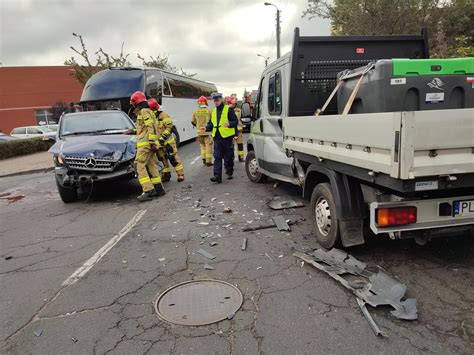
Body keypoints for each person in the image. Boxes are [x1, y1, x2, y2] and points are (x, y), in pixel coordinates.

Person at [130, 91, 165, 202]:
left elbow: (150, 126)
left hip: (145, 145)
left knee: (139, 165)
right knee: (151, 165)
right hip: (149, 144)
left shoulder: (144, 111)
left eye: (133, 102)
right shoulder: (148, 111)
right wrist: (132, 130)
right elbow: (144, 128)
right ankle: (159, 189)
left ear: (136, 101)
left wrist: (151, 141)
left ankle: (148, 190)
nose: (132, 105)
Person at [203, 93, 238, 183]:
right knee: (217, 156)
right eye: (214, 100)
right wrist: (206, 127)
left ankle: (229, 171)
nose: (216, 102)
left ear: (221, 99)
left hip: (227, 137)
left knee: (228, 157)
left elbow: (235, 121)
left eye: (217, 100)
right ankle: (217, 176)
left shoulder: (228, 109)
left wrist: (229, 124)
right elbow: (211, 123)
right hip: (217, 137)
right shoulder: (214, 111)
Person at [147, 98, 185, 182]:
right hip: (159, 144)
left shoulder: (164, 115)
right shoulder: (152, 118)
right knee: (163, 160)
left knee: (174, 159)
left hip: (168, 143)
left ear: (154, 108)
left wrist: (162, 138)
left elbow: (169, 127)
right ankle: (166, 175)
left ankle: (180, 175)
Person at [192, 96, 213, 166]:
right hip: (207, 131)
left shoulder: (195, 111)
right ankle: (208, 161)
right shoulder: (209, 110)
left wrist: (198, 126)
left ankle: (204, 158)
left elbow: (193, 121)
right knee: (208, 145)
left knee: (202, 145)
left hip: (199, 132)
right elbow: (212, 121)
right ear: (205, 102)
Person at [226, 96, 245, 162]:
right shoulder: (238, 110)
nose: (233, 104)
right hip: (233, 130)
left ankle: (236, 157)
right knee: (237, 145)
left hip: (234, 130)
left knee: (235, 145)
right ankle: (240, 157)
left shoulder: (225, 110)